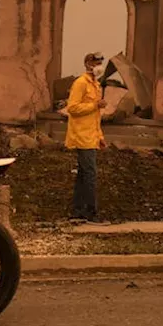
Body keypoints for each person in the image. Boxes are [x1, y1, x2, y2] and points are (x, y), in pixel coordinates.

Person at [66, 52, 108, 223]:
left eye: (100, 63)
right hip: (81, 136)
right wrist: (94, 105)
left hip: (91, 136)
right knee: (90, 174)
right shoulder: (81, 83)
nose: (99, 66)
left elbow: (95, 117)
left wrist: (100, 136)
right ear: (87, 64)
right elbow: (72, 108)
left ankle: (78, 211)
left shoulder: (96, 85)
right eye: (96, 63)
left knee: (84, 174)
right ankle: (91, 212)